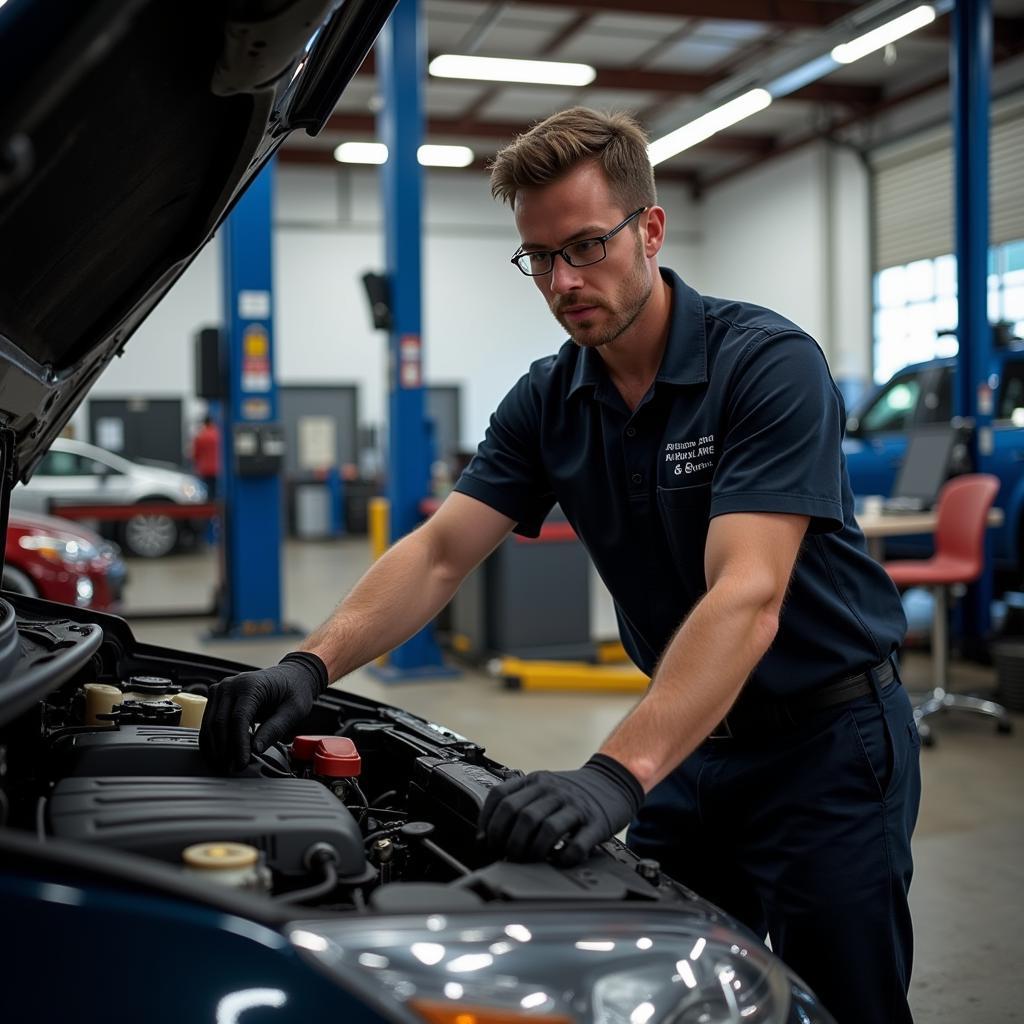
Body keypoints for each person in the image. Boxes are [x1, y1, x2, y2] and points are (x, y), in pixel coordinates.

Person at [200, 108, 920, 1023]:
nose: (562, 281)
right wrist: (306, 665)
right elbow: (438, 552)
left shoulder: (764, 365)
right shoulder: (550, 398)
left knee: (844, 1001)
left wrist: (611, 776)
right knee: (681, 996)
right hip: (690, 748)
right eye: (538, 258)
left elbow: (749, 593)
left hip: (824, 746)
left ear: (650, 228)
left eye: (585, 246)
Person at [190, 414, 220, 499]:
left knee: (207, 491)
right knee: (217, 490)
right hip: (218, 468)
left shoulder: (200, 436)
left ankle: (209, 506)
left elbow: (195, 454)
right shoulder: (218, 435)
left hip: (205, 469)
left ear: (204, 423)